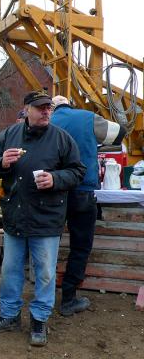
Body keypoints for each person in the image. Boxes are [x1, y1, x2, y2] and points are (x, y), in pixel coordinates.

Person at [0, 90, 86, 346]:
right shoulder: (9, 135)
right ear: (27, 109)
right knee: (10, 271)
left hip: (47, 217)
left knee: (45, 273)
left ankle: (39, 319)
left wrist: (55, 179)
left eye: (49, 107)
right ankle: (9, 315)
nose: (46, 111)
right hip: (15, 215)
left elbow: (77, 171)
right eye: (40, 107)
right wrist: (1, 163)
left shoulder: (61, 138)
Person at [51, 95, 127, 316]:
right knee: (80, 246)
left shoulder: (46, 120)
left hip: (52, 192)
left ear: (52, 108)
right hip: (82, 191)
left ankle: (44, 295)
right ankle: (68, 298)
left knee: (47, 244)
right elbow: (119, 134)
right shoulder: (87, 118)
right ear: (70, 104)